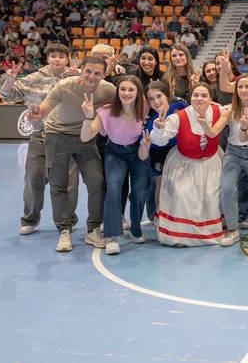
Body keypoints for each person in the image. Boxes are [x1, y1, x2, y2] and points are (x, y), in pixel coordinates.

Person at [27, 56, 116, 252]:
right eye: (88, 71)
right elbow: (44, 109)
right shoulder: (64, 86)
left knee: (97, 181)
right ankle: (64, 231)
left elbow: (122, 105)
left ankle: (93, 229)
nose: (92, 76)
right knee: (59, 184)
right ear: (80, 69)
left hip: (86, 138)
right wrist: (36, 114)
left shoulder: (108, 90)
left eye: (97, 73)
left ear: (104, 74)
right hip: (57, 135)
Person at [0, 44, 79, 235]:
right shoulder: (34, 78)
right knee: (33, 180)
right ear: (47, 58)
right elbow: (6, 95)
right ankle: (30, 218)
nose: (57, 59)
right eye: (53, 56)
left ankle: (67, 220)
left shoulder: (75, 77)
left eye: (61, 56)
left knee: (69, 184)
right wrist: (10, 79)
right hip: (41, 137)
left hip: (68, 137)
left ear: (67, 59)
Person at [80, 76, 149, 255]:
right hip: (115, 153)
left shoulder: (145, 108)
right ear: (117, 91)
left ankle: (135, 228)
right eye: (123, 89)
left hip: (138, 150)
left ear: (138, 93)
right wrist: (88, 117)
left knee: (140, 191)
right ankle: (111, 236)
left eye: (131, 90)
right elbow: (85, 137)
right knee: (113, 187)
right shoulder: (106, 111)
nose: (126, 93)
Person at [149, 82, 225, 246]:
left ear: (211, 98)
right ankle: (181, 235)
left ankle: (212, 230)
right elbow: (160, 141)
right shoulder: (179, 117)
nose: (199, 98)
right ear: (190, 97)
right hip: (185, 163)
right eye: (196, 95)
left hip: (211, 162)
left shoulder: (219, 110)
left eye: (204, 95)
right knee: (182, 194)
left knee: (212, 196)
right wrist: (159, 128)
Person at [213, 75, 248, 246]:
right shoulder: (229, 109)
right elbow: (215, 130)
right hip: (233, 153)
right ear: (236, 90)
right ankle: (232, 229)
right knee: (227, 189)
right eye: (240, 87)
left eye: (247, 86)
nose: (243, 90)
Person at [139, 81, 187, 224]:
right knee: (160, 183)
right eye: (151, 99)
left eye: (159, 96)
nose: (156, 101)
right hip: (158, 153)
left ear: (166, 95)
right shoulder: (148, 120)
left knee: (182, 183)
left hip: (180, 149)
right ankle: (159, 215)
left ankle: (182, 215)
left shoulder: (180, 105)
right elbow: (145, 148)